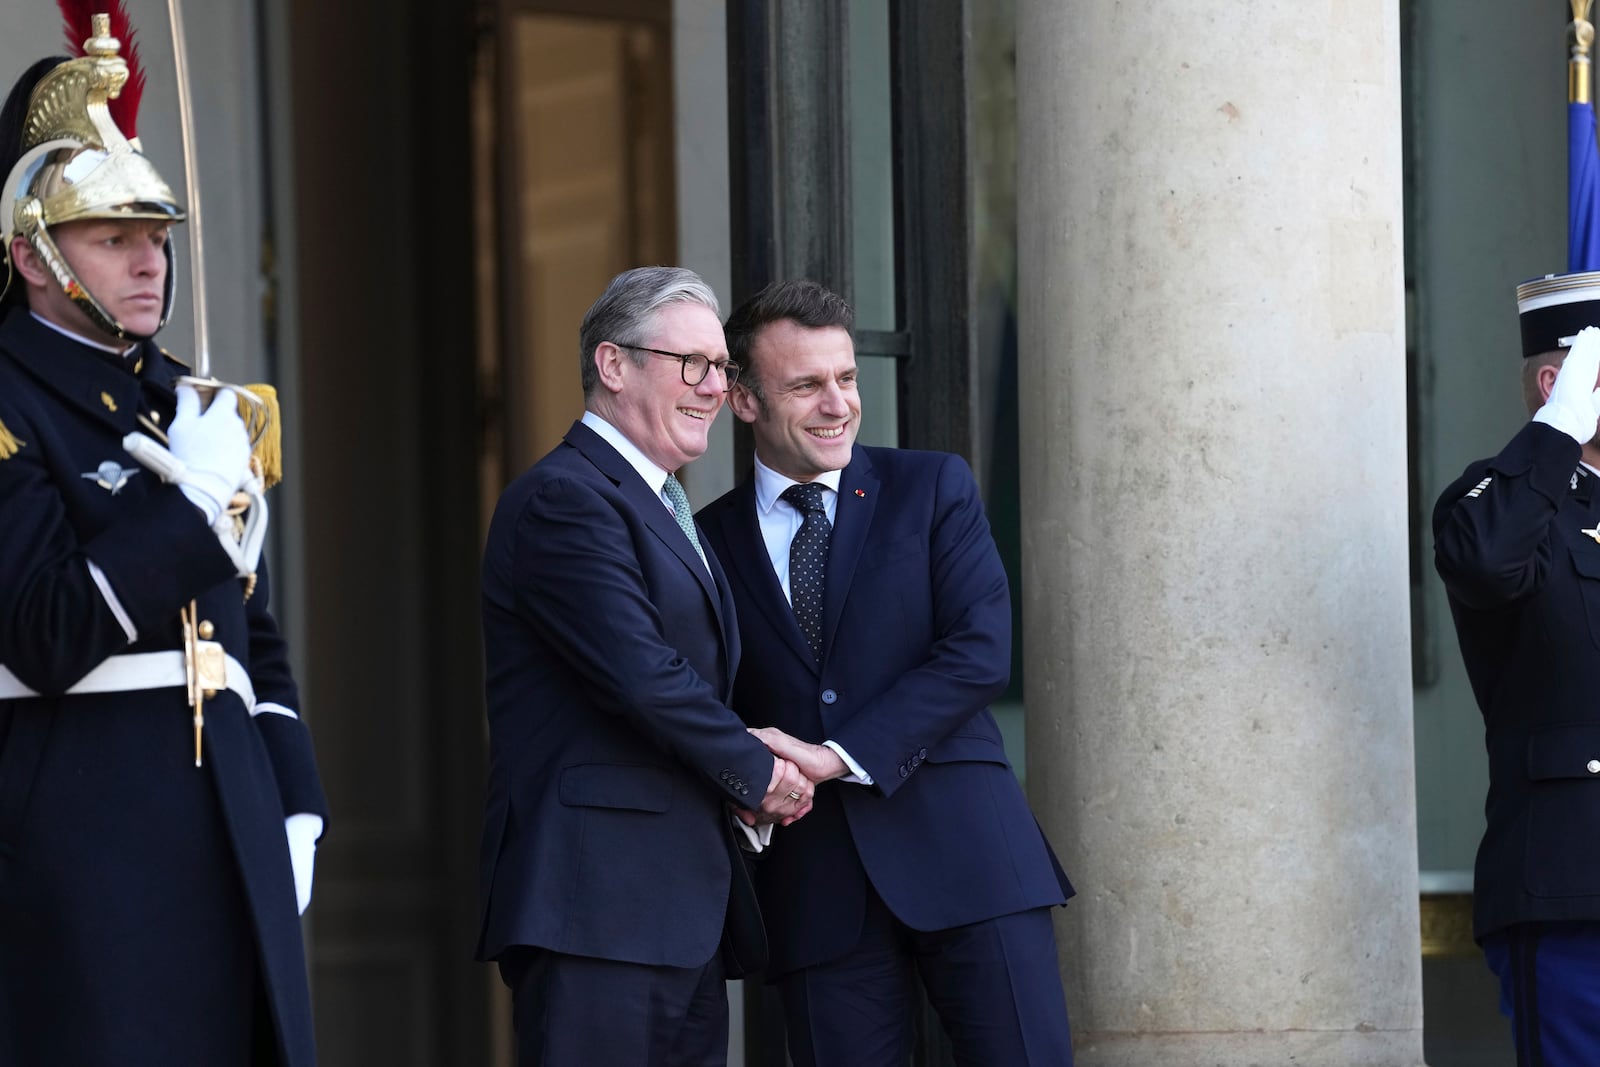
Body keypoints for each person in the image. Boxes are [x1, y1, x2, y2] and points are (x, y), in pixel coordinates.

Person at [0, 20, 327, 1067]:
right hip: (86, 835)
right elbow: (44, 631)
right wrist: (186, 515)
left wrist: (294, 789)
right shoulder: (12, 401)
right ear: (33, 253)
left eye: (159, 235)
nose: (150, 261)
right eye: (113, 237)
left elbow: (251, 637)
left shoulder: (195, 404)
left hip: (231, 818)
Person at [696, 279, 1076, 1065]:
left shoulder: (933, 487)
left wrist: (836, 756)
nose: (837, 403)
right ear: (741, 398)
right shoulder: (704, 540)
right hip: (818, 888)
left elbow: (978, 653)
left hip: (973, 859)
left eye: (846, 378)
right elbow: (704, 696)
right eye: (806, 384)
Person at [476, 265, 815, 1065]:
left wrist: (749, 742)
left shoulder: (657, 502)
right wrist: (754, 768)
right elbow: (642, 673)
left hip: (672, 911)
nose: (711, 387)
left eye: (721, 368)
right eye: (689, 363)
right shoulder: (567, 497)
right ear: (613, 363)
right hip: (596, 907)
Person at [1434, 271, 1600, 1066]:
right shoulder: (1491, 503)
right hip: (1573, 882)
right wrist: (1557, 434)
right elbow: (1487, 562)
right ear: (1556, 380)